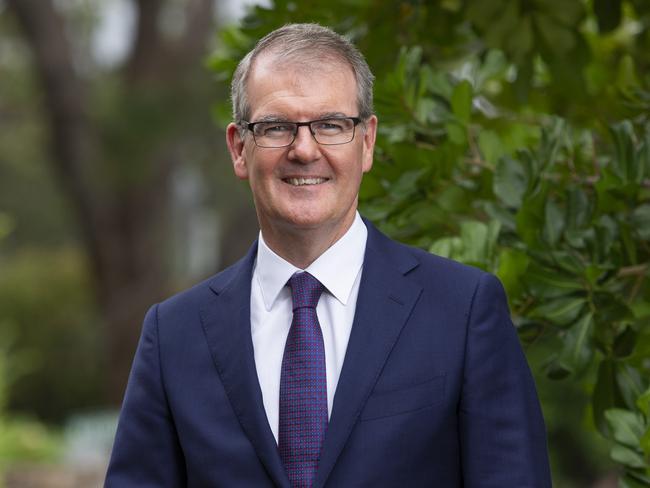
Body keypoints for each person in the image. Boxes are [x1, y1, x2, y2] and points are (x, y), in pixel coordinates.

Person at [105, 23, 552, 487]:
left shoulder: (463, 311)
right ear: (239, 148)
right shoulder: (174, 335)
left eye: (330, 125)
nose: (304, 149)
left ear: (367, 142)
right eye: (277, 127)